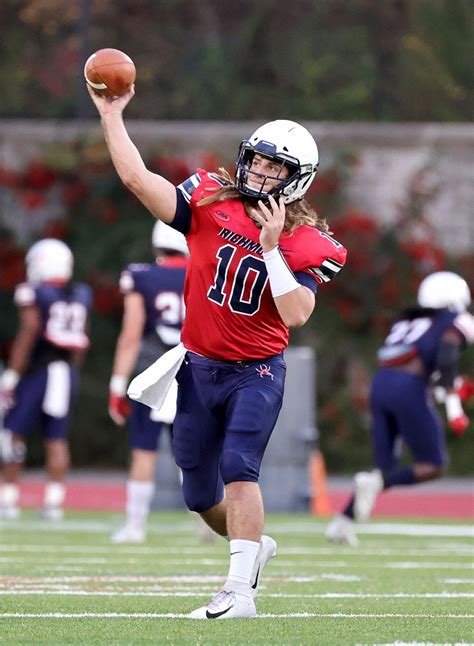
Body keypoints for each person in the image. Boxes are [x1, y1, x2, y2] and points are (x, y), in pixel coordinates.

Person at [88, 83, 347, 619]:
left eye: (274, 168)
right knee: (198, 492)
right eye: (255, 160)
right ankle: (252, 551)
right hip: (197, 367)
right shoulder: (211, 198)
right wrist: (112, 114)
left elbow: (297, 313)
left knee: (239, 467)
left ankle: (239, 593)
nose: (259, 173)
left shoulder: (308, 242)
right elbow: (138, 179)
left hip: (255, 372)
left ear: (297, 178)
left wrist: (272, 251)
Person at [325, 271, 474, 547]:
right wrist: (455, 408)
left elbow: (425, 366)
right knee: (433, 465)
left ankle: (342, 522)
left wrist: (448, 386)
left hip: (381, 385)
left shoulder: (407, 320)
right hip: (408, 387)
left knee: (382, 469)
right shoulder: (456, 321)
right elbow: (448, 353)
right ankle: (368, 494)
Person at [109, 220, 189, 543]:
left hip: (153, 368)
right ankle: (209, 521)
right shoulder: (203, 270)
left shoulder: (142, 275)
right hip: (191, 366)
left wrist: (117, 384)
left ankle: (135, 525)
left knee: (144, 448)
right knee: (192, 451)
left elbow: (131, 334)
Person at [0, 239, 92, 520]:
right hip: (65, 373)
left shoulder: (33, 292)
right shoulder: (80, 293)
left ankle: (9, 498)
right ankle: (54, 502)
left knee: (13, 433)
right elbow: (82, 339)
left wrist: (12, 374)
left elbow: (29, 330)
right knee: (56, 438)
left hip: (37, 372)